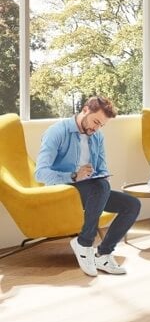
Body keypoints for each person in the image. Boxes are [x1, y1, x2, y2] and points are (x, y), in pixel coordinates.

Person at [35, 96, 141, 276]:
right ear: (85, 110)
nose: (96, 128)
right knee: (99, 187)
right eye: (96, 122)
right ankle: (84, 243)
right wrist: (74, 176)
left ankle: (104, 253)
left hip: (92, 191)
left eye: (101, 125)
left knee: (132, 205)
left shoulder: (97, 136)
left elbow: (101, 168)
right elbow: (40, 173)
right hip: (61, 190)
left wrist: (104, 178)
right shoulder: (57, 132)